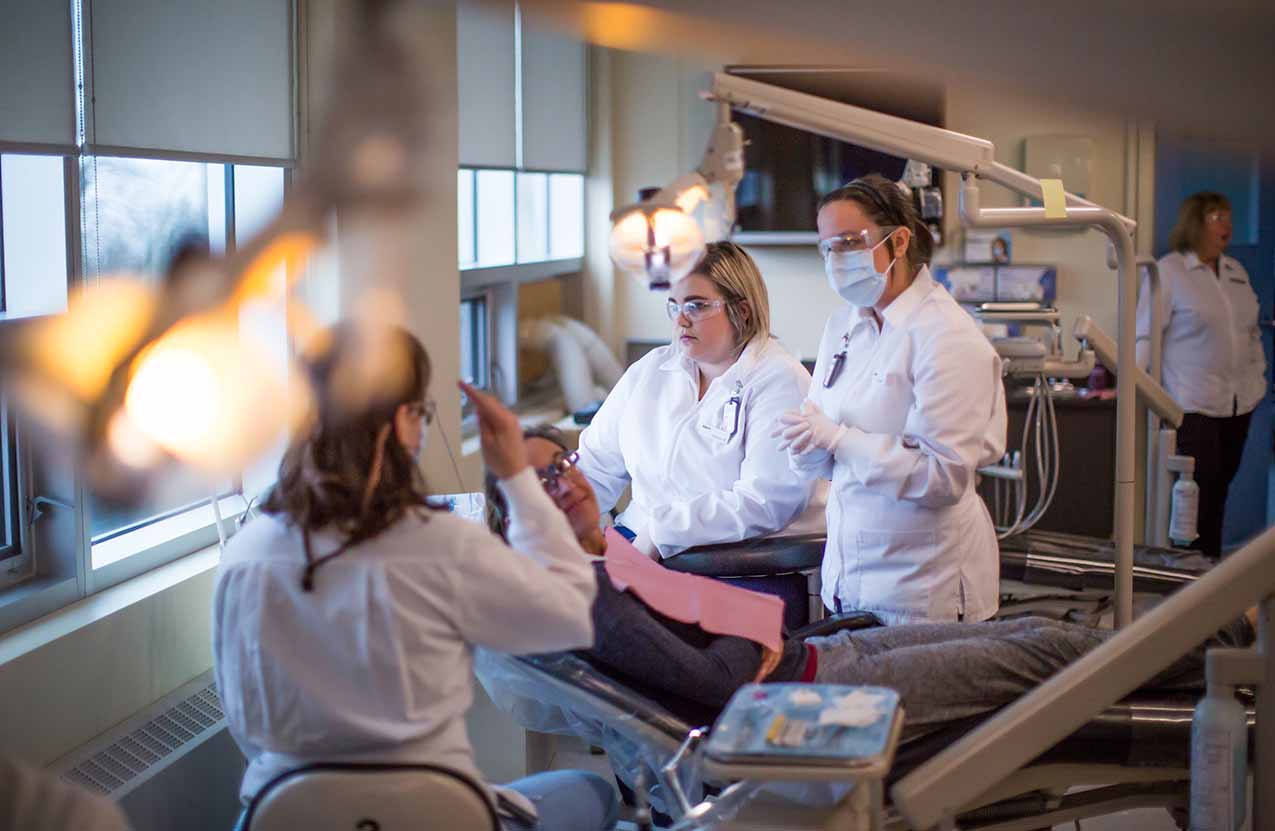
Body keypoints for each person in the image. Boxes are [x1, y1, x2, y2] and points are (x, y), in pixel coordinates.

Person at [482, 425, 1251, 742]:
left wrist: (812, 633)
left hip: (822, 658)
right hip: (807, 705)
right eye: (532, 481)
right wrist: (750, 634)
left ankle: (1213, 643)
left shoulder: (613, 557)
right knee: (1041, 650)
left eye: (560, 466)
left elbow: (730, 637)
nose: (561, 484)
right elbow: (715, 685)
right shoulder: (588, 596)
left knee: (1013, 632)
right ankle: (1217, 657)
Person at [213, 323, 618, 831]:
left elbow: (244, 724)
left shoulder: (243, 557)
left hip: (284, 814)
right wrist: (516, 476)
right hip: (436, 815)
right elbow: (572, 613)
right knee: (590, 791)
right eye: (420, 413)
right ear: (399, 423)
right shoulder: (442, 544)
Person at [774, 174, 1007, 624]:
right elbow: (827, 435)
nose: (836, 259)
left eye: (848, 242)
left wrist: (840, 441)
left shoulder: (947, 337)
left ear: (899, 241)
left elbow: (941, 478)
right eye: (827, 248)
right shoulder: (843, 325)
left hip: (924, 589)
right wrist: (807, 447)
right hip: (849, 576)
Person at [577, 240, 816, 561]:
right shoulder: (650, 371)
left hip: (730, 564)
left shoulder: (781, 381)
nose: (681, 320)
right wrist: (556, 521)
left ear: (740, 310)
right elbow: (595, 467)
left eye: (697, 305)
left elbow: (766, 500)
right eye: (674, 306)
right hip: (635, 542)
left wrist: (662, 531)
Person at [1137, 192, 1265, 559]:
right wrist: (1140, 394)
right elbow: (1145, 336)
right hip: (1191, 405)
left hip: (1239, 402)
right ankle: (1191, 580)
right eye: (1215, 217)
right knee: (1196, 499)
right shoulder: (1169, 272)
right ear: (1195, 223)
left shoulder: (1235, 272)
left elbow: (1251, 333)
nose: (1226, 225)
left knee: (1220, 491)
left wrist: (1259, 377)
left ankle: (1210, 574)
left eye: (1227, 216)